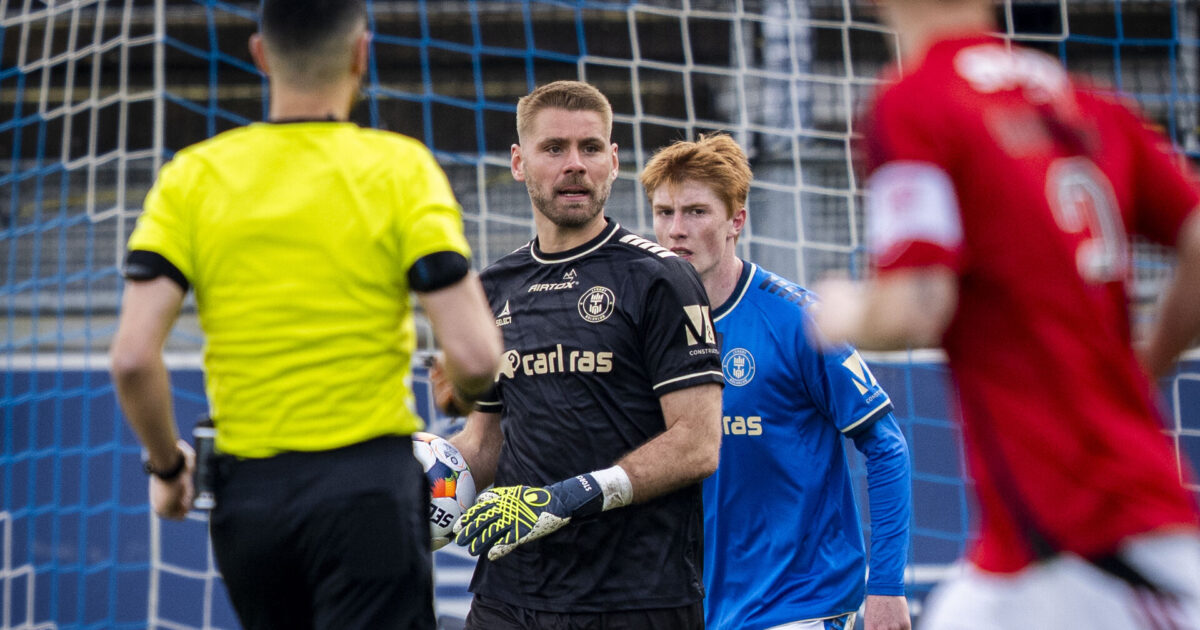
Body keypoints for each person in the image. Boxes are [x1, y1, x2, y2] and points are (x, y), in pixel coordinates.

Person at [108, 1, 502, 628]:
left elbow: (131, 358)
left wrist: (167, 467)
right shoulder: (400, 169)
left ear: (260, 54)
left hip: (250, 500)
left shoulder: (193, 177)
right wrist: (465, 390)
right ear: (360, 54)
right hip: (369, 488)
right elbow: (478, 356)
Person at [812, 1, 1200, 628]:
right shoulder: (1082, 100)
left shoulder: (917, 101)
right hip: (1031, 549)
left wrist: (846, 313)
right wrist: (1148, 364)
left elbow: (918, 302)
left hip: (1094, 539)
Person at [442, 80, 725, 630]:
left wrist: (563, 499)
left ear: (614, 161)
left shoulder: (661, 279)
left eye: (590, 148)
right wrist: (418, 487)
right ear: (519, 163)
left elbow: (698, 444)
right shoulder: (493, 288)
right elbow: (483, 441)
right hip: (510, 592)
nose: (575, 165)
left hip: (636, 597)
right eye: (554, 149)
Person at [642, 133, 913, 630]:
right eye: (664, 213)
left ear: (735, 222)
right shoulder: (647, 328)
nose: (676, 230)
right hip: (692, 608)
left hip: (801, 607)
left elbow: (887, 446)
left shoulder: (795, 320)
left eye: (697, 212)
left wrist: (888, 586)